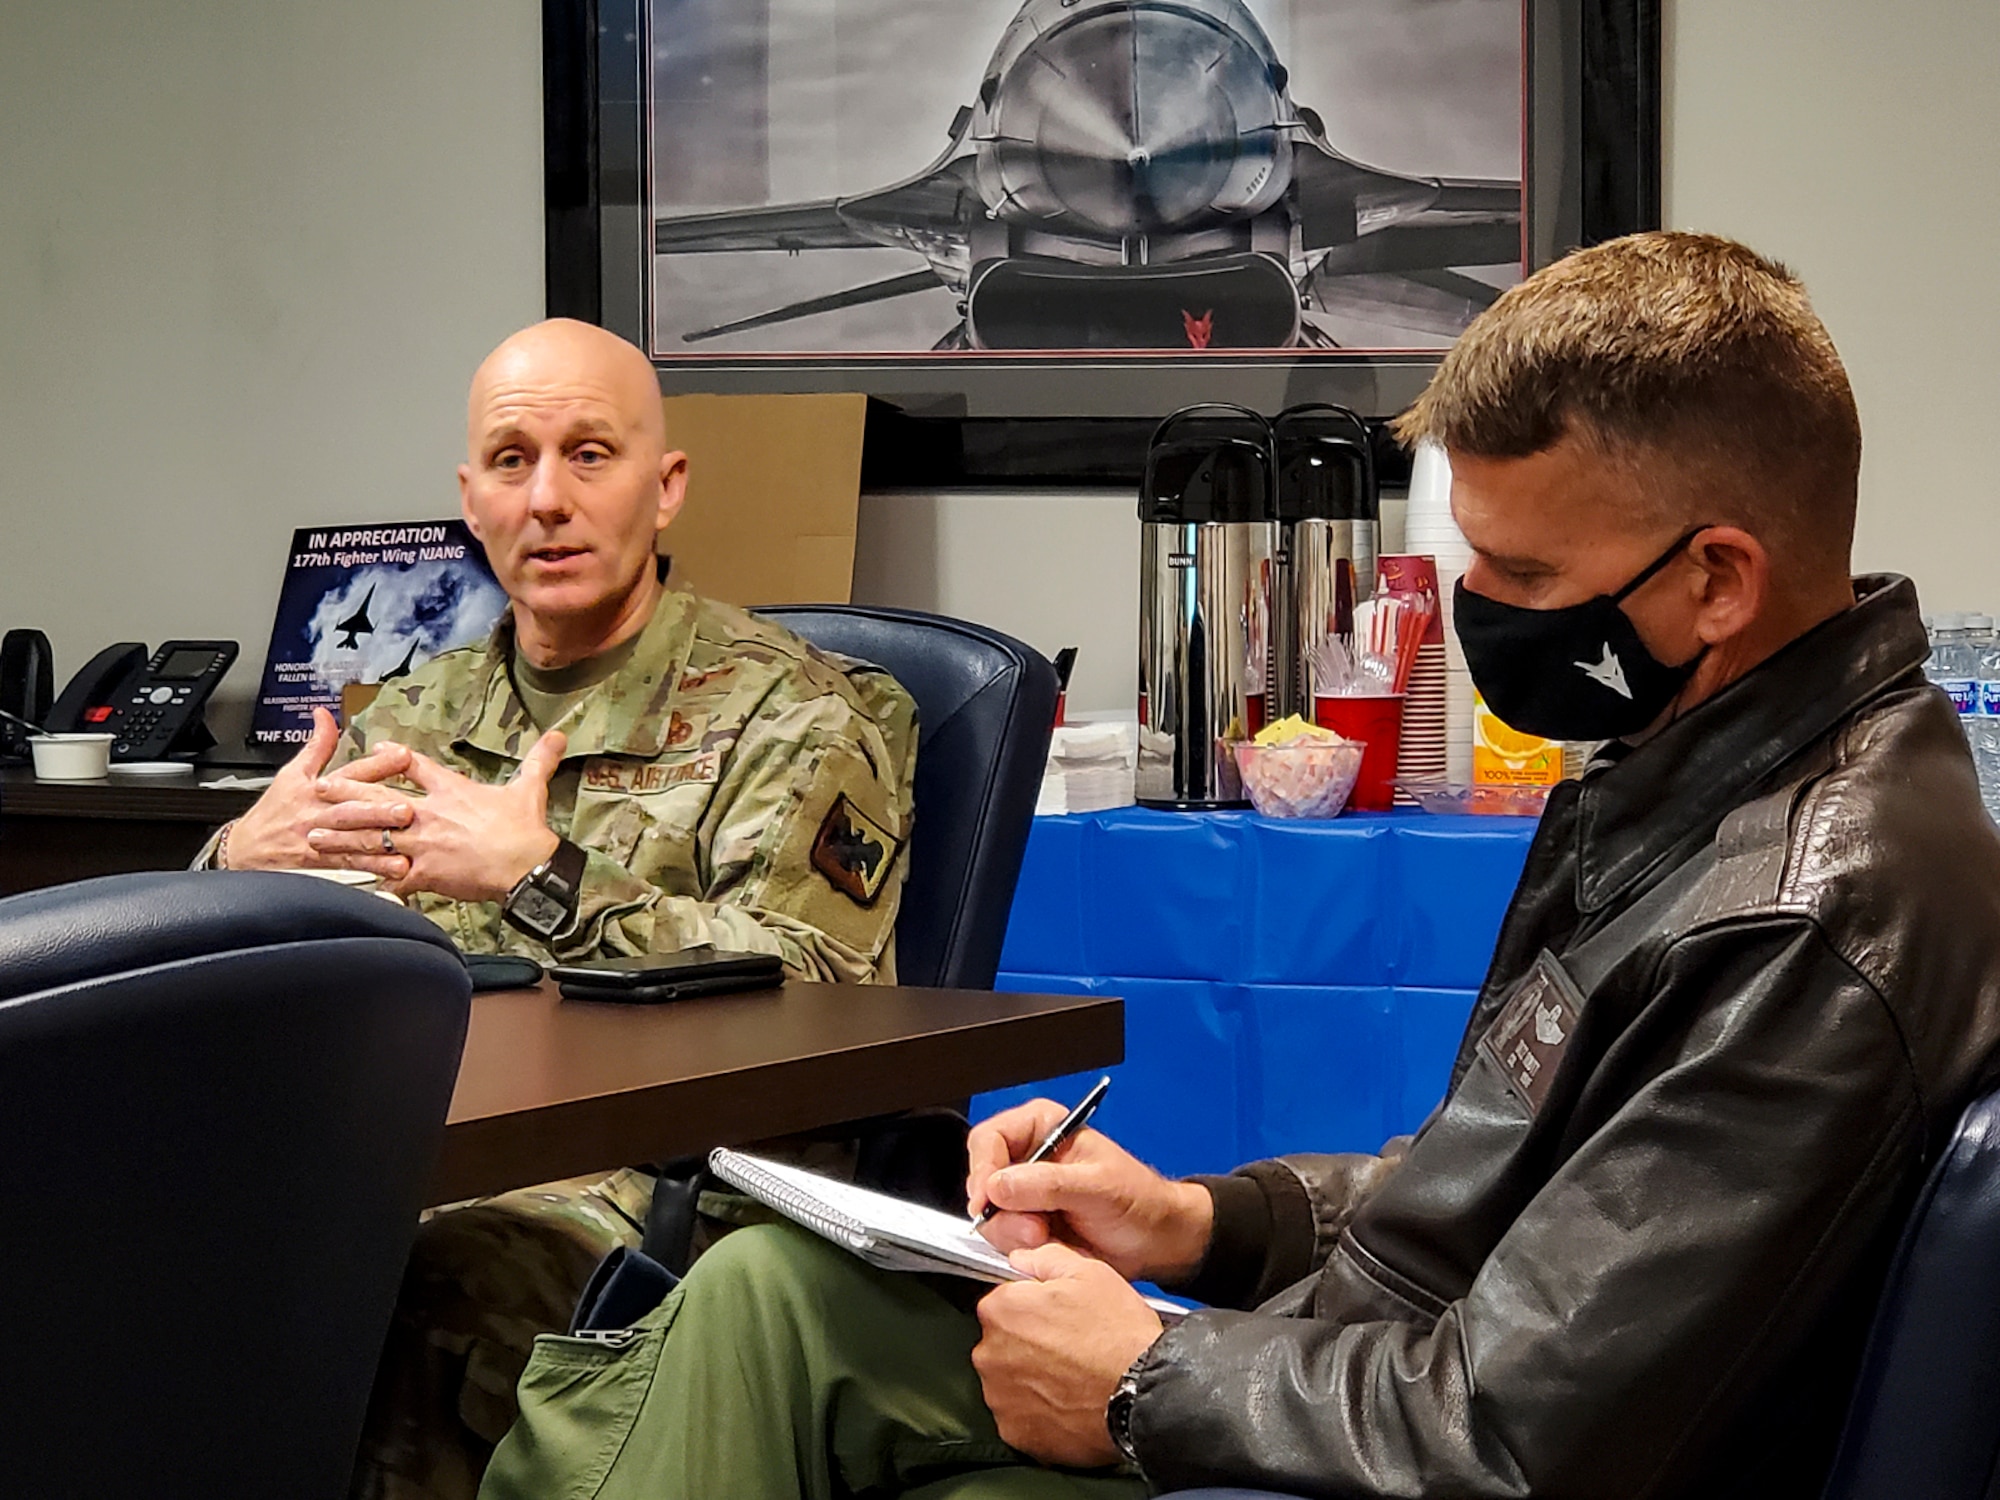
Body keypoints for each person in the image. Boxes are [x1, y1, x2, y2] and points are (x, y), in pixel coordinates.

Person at [479, 232, 2000, 1500]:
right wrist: (1204, 1224)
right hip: (1356, 1401)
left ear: (1719, 579)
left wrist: (1145, 1371)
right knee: (767, 1295)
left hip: (1394, 1463)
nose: (1474, 612)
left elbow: (1520, 1429)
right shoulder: (1716, 773)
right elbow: (1524, 1197)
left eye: (1526, 578)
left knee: (756, 1336)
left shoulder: (1800, 920)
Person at [204, 317, 920, 1499]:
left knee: (427, 1279)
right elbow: (284, 967)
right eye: (511, 461)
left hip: (678, 1183)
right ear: (470, 499)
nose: (547, 499)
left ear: (666, 485)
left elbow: (824, 998)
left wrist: (543, 879)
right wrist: (239, 864)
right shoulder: (400, 718)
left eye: (589, 455)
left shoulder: (792, 714)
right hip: (410, 1143)